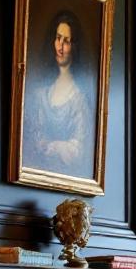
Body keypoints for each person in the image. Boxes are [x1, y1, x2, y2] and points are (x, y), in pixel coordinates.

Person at [25, 10, 93, 177]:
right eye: (58, 38)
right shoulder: (41, 92)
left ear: (75, 47)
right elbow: (32, 137)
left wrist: (50, 146)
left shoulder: (79, 99)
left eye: (67, 41)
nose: (60, 47)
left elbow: (79, 150)